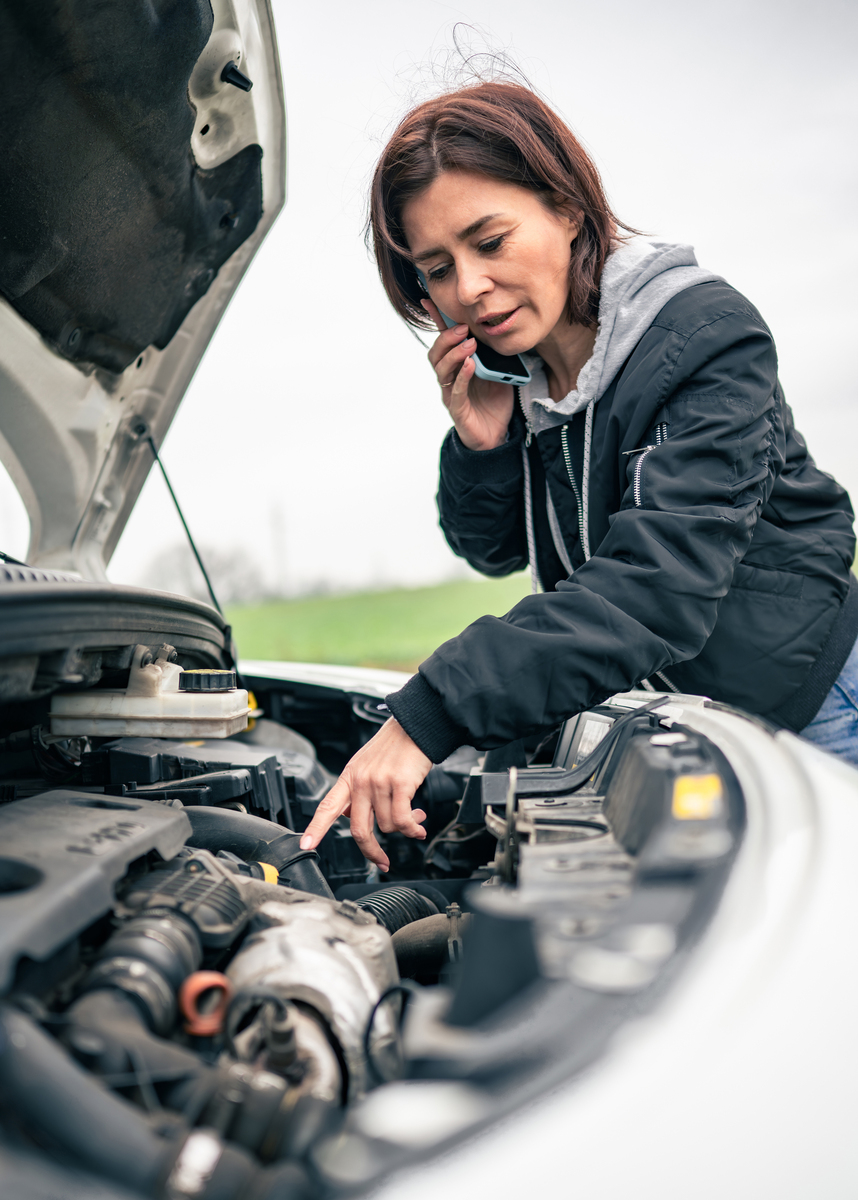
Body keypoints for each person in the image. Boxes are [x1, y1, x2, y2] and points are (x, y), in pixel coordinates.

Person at [300, 81, 857, 871]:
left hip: (809, 712)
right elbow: (490, 551)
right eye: (437, 268)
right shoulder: (522, 376)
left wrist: (429, 711)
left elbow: (653, 591)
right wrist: (482, 445)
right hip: (674, 727)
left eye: (489, 241)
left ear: (567, 206)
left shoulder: (706, 341)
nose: (468, 290)